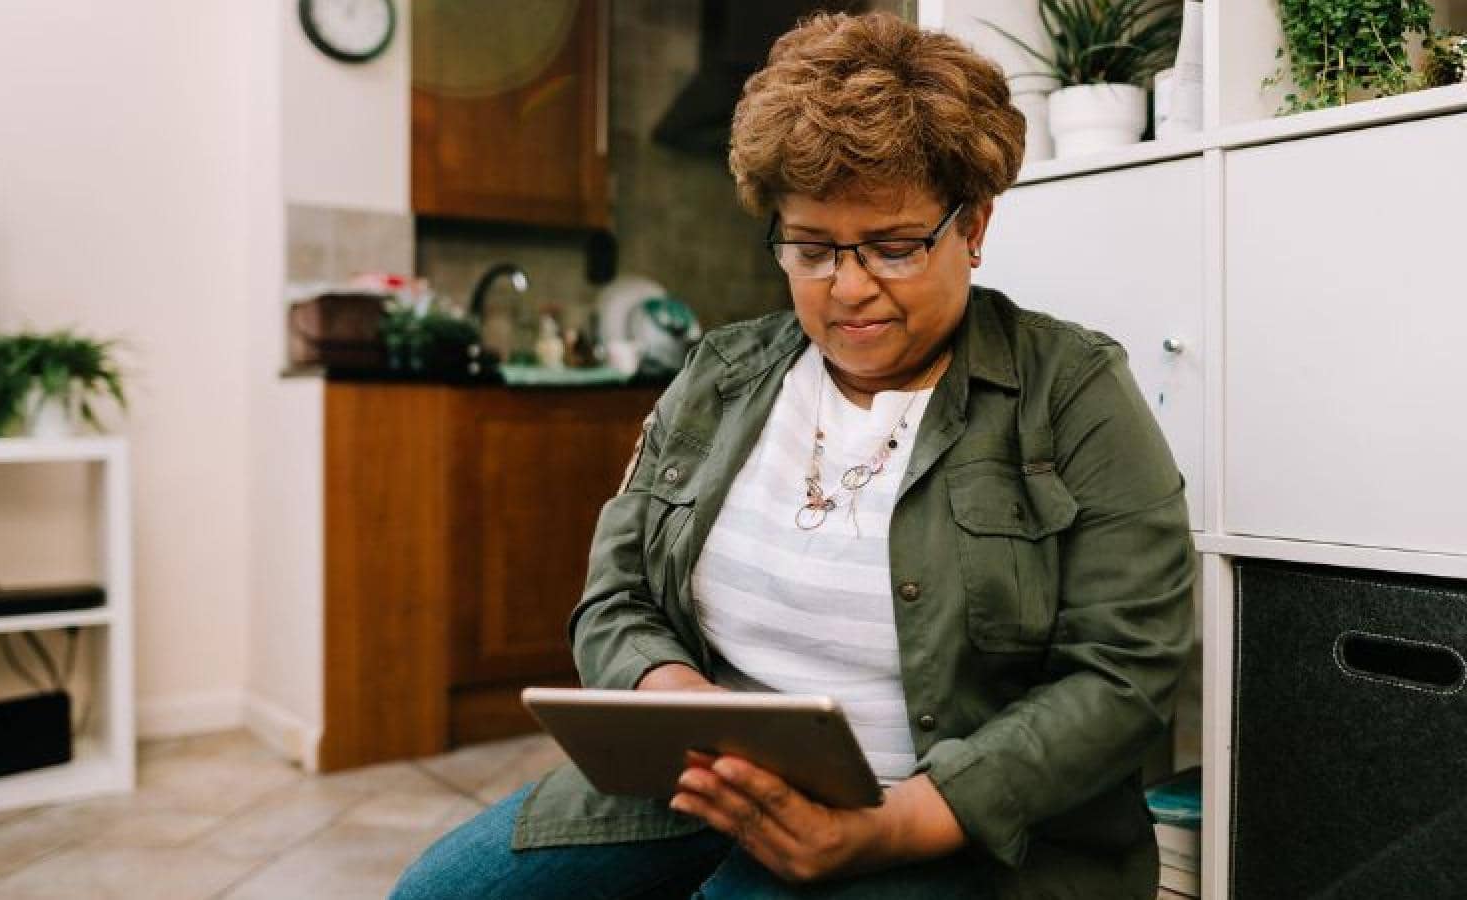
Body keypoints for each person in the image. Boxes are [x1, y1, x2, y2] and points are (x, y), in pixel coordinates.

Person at [391, 11, 1194, 899]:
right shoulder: (720, 376)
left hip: (948, 824)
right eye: (810, 249)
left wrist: (893, 825)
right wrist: (678, 707)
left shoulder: (1072, 392)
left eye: (894, 247)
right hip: (699, 789)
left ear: (973, 227)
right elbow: (614, 595)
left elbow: (1125, 673)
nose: (848, 289)